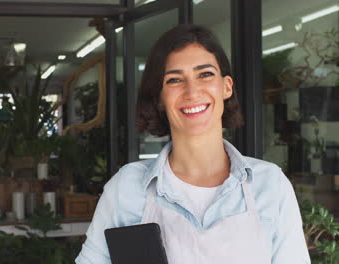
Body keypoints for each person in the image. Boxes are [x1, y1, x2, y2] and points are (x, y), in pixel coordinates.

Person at [75, 24, 310, 264]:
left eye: (205, 74)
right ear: (159, 98)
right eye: (175, 79)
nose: (192, 91)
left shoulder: (271, 185)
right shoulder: (125, 189)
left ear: (226, 86)